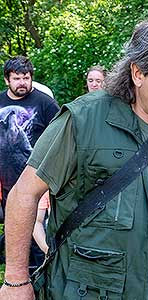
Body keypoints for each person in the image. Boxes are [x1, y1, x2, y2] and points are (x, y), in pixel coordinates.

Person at [0, 11, 148, 300]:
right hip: (90, 291)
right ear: (138, 73)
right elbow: (24, 194)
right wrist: (15, 281)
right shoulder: (84, 120)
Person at [0, 56, 60, 274]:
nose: (22, 82)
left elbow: (61, 135)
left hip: (37, 180)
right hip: (6, 180)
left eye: (26, 77)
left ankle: (40, 273)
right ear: (7, 80)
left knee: (36, 226)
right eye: (17, 78)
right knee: (13, 228)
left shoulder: (44, 102)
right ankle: (16, 274)